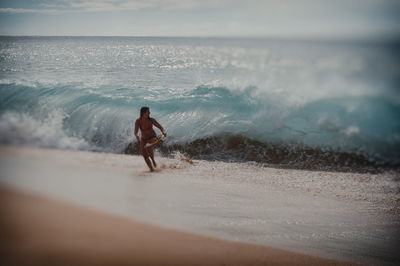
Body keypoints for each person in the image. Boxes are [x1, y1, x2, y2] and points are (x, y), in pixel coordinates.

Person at [134, 107, 167, 172]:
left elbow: (159, 126)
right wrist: (136, 135)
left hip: (153, 137)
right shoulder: (138, 121)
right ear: (143, 113)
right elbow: (136, 131)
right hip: (144, 139)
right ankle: (151, 169)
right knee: (144, 155)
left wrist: (163, 131)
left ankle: (153, 160)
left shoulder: (151, 120)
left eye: (149, 112)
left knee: (148, 147)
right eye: (148, 112)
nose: (149, 113)